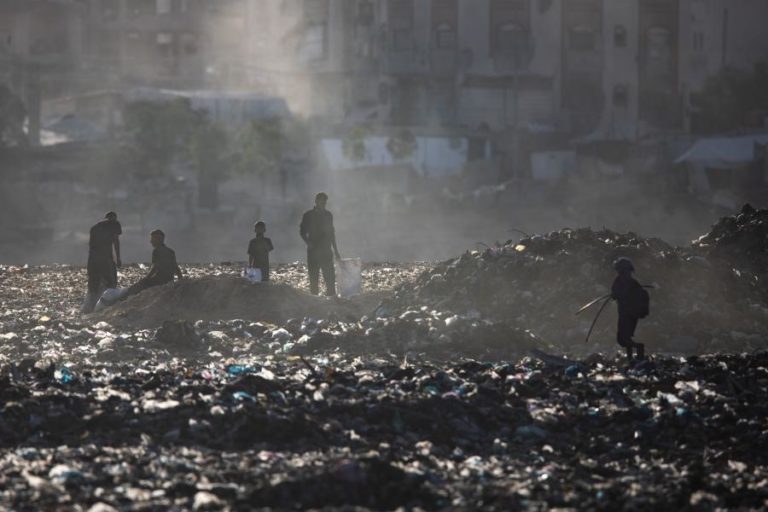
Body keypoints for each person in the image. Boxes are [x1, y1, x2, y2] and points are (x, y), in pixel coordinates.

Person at [300, 192, 341, 296]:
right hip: (313, 250)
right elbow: (302, 231)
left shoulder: (328, 215)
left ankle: (331, 299)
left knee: (330, 277)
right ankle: (315, 301)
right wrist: (308, 242)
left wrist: (336, 251)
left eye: (324, 201)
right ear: (316, 201)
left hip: (326, 250)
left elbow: (332, 233)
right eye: (321, 200)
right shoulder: (308, 215)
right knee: (314, 277)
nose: (323, 203)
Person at [84, 211, 122, 313]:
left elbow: (92, 245)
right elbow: (116, 241)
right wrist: (118, 258)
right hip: (105, 258)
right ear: (113, 218)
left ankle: (89, 308)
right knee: (111, 282)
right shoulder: (114, 224)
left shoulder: (94, 227)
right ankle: (106, 307)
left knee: (93, 284)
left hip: (92, 259)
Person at [126, 229, 183, 296]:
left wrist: (146, 278)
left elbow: (155, 267)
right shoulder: (171, 251)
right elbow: (176, 268)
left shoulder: (156, 251)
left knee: (141, 284)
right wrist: (181, 281)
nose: (151, 241)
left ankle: (124, 297)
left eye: (152, 239)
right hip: (169, 281)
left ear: (159, 239)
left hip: (159, 281)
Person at [611, 257, 647, 361]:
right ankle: (631, 358)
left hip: (628, 315)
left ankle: (638, 350)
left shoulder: (630, 283)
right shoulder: (626, 282)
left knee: (624, 338)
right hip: (627, 314)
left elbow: (617, 295)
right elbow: (615, 294)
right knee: (624, 338)